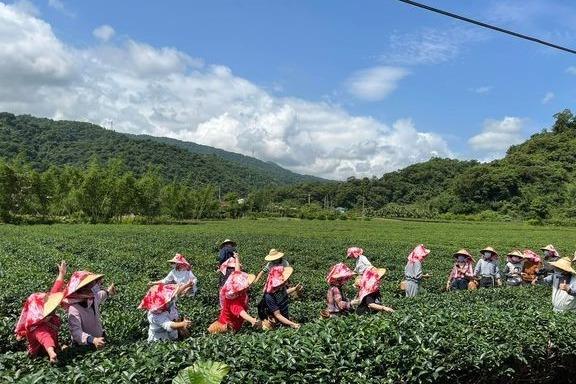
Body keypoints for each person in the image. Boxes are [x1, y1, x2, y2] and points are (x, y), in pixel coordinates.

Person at [14, 261, 67, 363]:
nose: (54, 307)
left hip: (52, 347)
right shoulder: (37, 328)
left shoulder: (46, 317)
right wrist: (52, 353)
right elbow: (45, 339)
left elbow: (54, 291)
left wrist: (61, 274)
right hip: (41, 356)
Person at [208, 254, 262, 333]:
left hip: (236, 322)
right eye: (246, 285)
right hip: (228, 327)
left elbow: (237, 271)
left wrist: (237, 258)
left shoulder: (238, 291)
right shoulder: (232, 300)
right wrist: (252, 320)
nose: (248, 286)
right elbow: (241, 312)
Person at [63, 270, 116, 349]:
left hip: (100, 339)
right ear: (79, 290)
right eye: (86, 287)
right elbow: (76, 332)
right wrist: (92, 340)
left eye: (90, 286)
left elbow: (100, 296)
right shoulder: (74, 308)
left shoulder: (92, 298)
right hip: (84, 346)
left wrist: (108, 291)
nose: (90, 289)